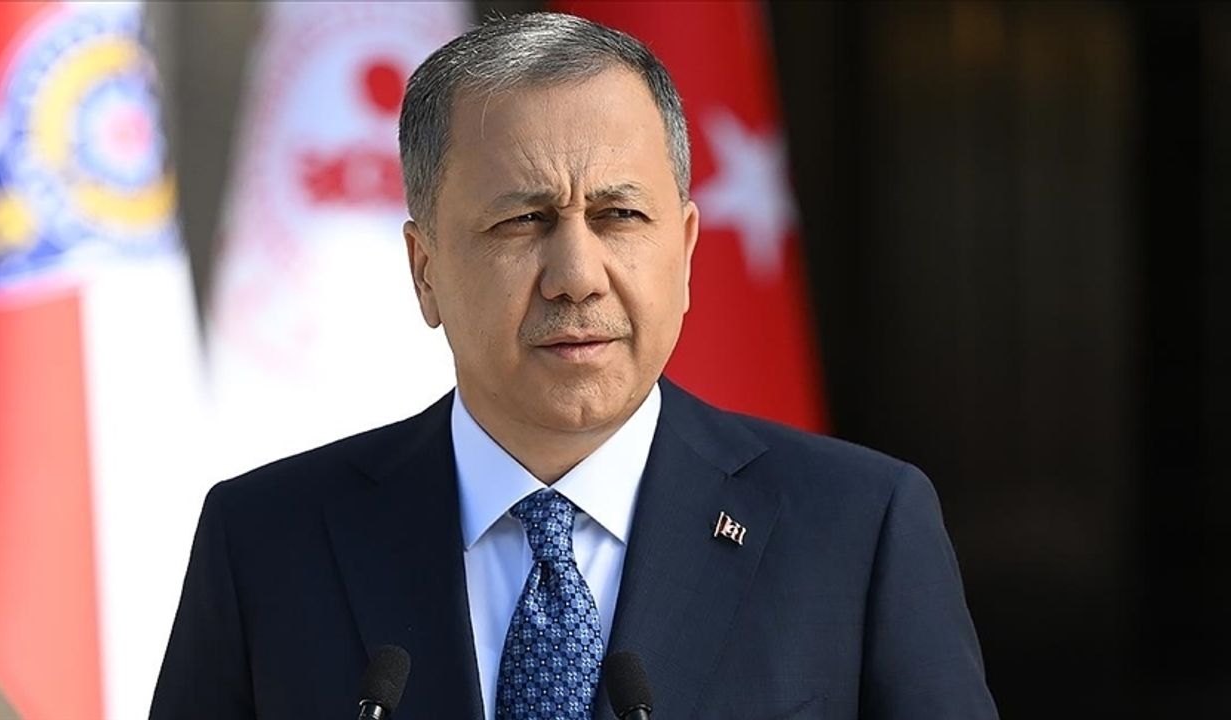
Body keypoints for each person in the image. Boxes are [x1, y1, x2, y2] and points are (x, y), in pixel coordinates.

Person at [151, 12, 998, 720]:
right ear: (425, 270)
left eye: (619, 215)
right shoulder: (267, 542)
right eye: (522, 221)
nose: (577, 275)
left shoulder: (857, 531)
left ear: (686, 252)